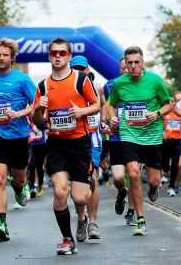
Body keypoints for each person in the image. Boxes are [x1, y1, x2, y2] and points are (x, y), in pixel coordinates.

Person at [32, 38, 99, 255]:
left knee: (79, 197)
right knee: (61, 191)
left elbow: (97, 105)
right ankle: (67, 239)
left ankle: (82, 217)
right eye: (54, 53)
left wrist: (82, 112)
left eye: (62, 53)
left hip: (80, 143)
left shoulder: (80, 80)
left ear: (69, 55)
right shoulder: (42, 86)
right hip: (57, 144)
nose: (58, 56)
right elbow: (37, 122)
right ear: (49, 56)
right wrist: (39, 111)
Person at [106, 46, 171, 236]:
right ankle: (140, 219)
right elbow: (109, 105)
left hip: (152, 136)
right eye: (130, 63)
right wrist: (112, 118)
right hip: (129, 134)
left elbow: (169, 103)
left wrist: (157, 113)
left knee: (154, 180)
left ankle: (153, 188)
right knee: (133, 174)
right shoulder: (119, 83)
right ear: (125, 64)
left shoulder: (155, 81)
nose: (133, 66)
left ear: (142, 63)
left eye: (137, 62)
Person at [0, 38, 36, 242]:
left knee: (18, 178)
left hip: (18, 136)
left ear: (12, 58)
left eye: (5, 55)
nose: (1, 58)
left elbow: (35, 104)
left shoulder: (22, 79)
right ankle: (2, 223)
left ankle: (21, 187)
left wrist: (20, 113)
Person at [70, 55, 104, 242]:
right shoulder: (68, 89)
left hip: (93, 140)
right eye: (75, 68)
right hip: (74, 141)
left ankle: (92, 222)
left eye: (82, 69)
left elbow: (105, 109)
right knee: (78, 184)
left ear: (87, 70)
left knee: (93, 180)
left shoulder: (98, 89)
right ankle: (81, 218)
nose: (79, 72)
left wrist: (106, 123)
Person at [103, 58, 136, 225]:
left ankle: (131, 212)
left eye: (129, 67)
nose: (126, 70)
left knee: (134, 175)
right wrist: (110, 120)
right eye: (123, 67)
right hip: (117, 137)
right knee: (118, 177)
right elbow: (107, 107)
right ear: (119, 69)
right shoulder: (110, 85)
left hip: (137, 137)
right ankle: (121, 191)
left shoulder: (141, 86)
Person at [162, 92, 181, 196]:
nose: (176, 103)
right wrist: (162, 133)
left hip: (177, 141)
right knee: (165, 164)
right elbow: (158, 124)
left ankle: (171, 187)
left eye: (180, 100)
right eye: (175, 100)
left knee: (175, 164)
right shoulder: (164, 112)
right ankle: (165, 172)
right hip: (165, 142)